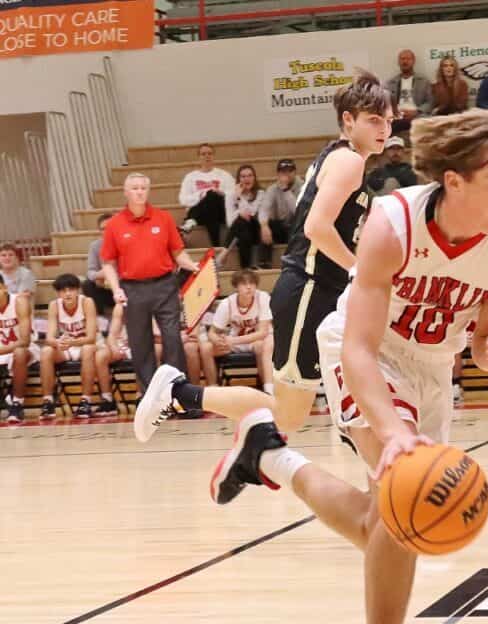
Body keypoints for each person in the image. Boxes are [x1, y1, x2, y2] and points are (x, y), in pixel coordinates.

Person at [208, 108, 488, 624]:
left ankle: (270, 455)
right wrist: (393, 432)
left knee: (393, 523)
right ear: (454, 180)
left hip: (432, 370)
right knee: (401, 499)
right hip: (365, 352)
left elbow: (486, 330)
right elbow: (360, 346)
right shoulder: (394, 224)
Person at [134, 73, 391, 442]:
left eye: (388, 120)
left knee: (354, 383)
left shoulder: (342, 159)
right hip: (310, 289)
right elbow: (318, 227)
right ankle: (179, 394)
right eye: (374, 120)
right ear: (348, 121)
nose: (384, 128)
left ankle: (377, 472)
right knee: (288, 414)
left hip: (321, 293)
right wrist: (358, 271)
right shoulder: (348, 161)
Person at [100, 173, 199, 393]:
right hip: (133, 288)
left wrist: (193, 266)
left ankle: (179, 395)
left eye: (143, 187)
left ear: (148, 190)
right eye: (134, 188)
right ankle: (150, 396)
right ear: (125, 192)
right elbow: (107, 263)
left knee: (172, 338)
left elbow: (178, 253)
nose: (139, 191)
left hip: (164, 285)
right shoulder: (115, 225)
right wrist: (116, 289)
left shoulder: (163, 218)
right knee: (141, 344)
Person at [39, 274, 100, 420]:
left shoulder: (87, 302)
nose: (67, 294)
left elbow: (91, 338)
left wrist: (71, 343)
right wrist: (57, 343)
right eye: (63, 290)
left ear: (78, 290)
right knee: (46, 351)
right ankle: (48, 401)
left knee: (87, 349)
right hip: (68, 345)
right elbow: (49, 337)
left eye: (71, 289)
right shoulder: (54, 305)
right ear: (58, 293)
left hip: (88, 344)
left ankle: (86, 401)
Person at [205, 269, 274, 394]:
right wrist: (218, 340)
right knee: (207, 348)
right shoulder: (227, 304)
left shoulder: (263, 298)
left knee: (261, 345)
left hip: (256, 340)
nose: (249, 287)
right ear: (236, 286)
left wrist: (233, 340)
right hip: (235, 342)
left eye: (252, 283)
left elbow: (263, 332)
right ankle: (212, 389)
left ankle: (267, 389)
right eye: (244, 284)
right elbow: (212, 332)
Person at [179, 144, 234, 247]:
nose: (207, 156)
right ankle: (216, 245)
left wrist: (222, 193)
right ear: (199, 157)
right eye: (203, 154)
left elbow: (234, 195)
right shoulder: (190, 177)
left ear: (214, 156)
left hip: (221, 212)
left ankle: (190, 222)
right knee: (209, 198)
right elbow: (183, 200)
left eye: (210, 153)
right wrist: (201, 195)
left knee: (212, 196)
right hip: (201, 215)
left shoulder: (224, 175)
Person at [0, 278, 37, 424]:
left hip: (26, 348)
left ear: (3, 287)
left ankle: (17, 403)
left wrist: (3, 350)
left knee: (19, 353)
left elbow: (24, 341)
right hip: (2, 350)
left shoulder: (19, 302)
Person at [258, 158, 303, 268]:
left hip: (297, 224)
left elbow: (298, 210)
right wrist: (264, 225)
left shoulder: (303, 186)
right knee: (267, 226)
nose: (287, 174)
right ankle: (264, 264)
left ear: (295, 172)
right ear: (278, 174)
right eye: (283, 171)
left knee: (298, 225)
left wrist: (285, 190)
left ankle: (293, 264)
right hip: (280, 226)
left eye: (290, 171)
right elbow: (264, 208)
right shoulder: (272, 189)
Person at [225, 165, 265, 269]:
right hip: (240, 232)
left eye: (250, 176)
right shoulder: (230, 195)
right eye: (243, 176)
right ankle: (246, 267)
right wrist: (240, 212)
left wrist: (239, 199)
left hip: (256, 230)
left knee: (244, 220)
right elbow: (230, 222)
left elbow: (251, 214)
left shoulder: (261, 194)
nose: (246, 179)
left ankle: (225, 251)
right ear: (238, 179)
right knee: (242, 226)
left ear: (254, 178)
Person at [387, 49, 433, 135]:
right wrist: (396, 112)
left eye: (408, 59)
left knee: (427, 123)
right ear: (398, 62)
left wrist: (417, 111)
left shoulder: (423, 81)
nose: (405, 61)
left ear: (413, 61)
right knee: (386, 125)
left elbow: (430, 102)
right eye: (402, 59)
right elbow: (386, 103)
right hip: (397, 116)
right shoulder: (391, 83)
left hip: (418, 116)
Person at [84, 213, 116, 317]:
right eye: (103, 229)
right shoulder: (95, 246)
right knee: (88, 284)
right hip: (106, 288)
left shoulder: (126, 242)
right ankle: (101, 318)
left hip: (125, 286)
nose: (106, 231)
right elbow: (90, 272)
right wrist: (98, 275)